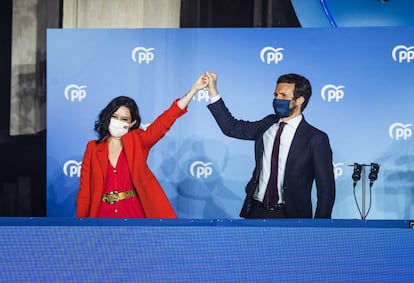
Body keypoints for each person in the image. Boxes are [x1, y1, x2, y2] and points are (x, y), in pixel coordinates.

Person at [205, 72, 335, 218]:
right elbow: (231, 127)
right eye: (275, 95)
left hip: (291, 216)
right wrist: (212, 91)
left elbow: (326, 190)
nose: (277, 99)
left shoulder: (316, 139)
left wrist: (318, 228)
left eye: (283, 96)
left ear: (299, 100)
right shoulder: (267, 124)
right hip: (255, 211)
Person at [76, 74, 209, 218]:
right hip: (102, 215)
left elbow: (165, 120)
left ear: (132, 123)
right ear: (107, 117)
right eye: (114, 117)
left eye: (124, 119)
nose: (118, 121)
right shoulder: (93, 148)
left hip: (133, 213)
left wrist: (193, 90)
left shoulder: (139, 141)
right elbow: (85, 193)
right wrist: (80, 225)